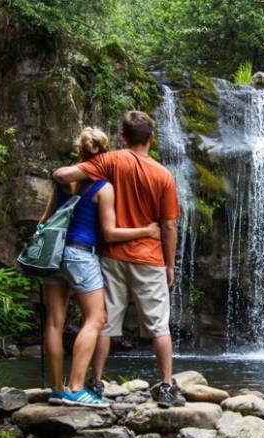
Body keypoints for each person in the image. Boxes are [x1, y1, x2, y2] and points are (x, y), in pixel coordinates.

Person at [53, 111, 185, 408]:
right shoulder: (164, 175)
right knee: (159, 326)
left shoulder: (110, 161)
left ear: (123, 137)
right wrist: (170, 263)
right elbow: (169, 225)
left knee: (104, 323)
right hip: (150, 258)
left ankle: (96, 382)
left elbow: (67, 175)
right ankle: (166, 385)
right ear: (151, 138)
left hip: (111, 256)